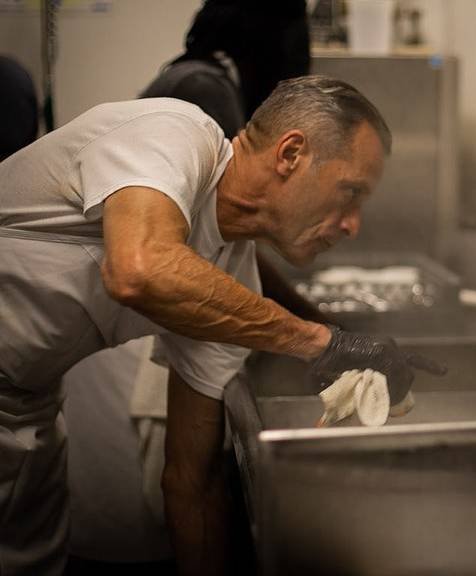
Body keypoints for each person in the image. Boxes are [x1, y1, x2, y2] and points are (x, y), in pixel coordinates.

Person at [0, 75, 441, 576]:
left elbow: (192, 481)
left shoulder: (232, 280)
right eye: (351, 192)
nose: (353, 224)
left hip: (28, 417)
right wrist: (322, 342)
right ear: (291, 154)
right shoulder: (171, 132)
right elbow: (140, 269)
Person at [62, 3, 316, 571]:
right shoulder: (202, 95)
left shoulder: (192, 73)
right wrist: (315, 323)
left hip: (133, 320)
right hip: (138, 329)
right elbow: (211, 238)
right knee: (144, 516)